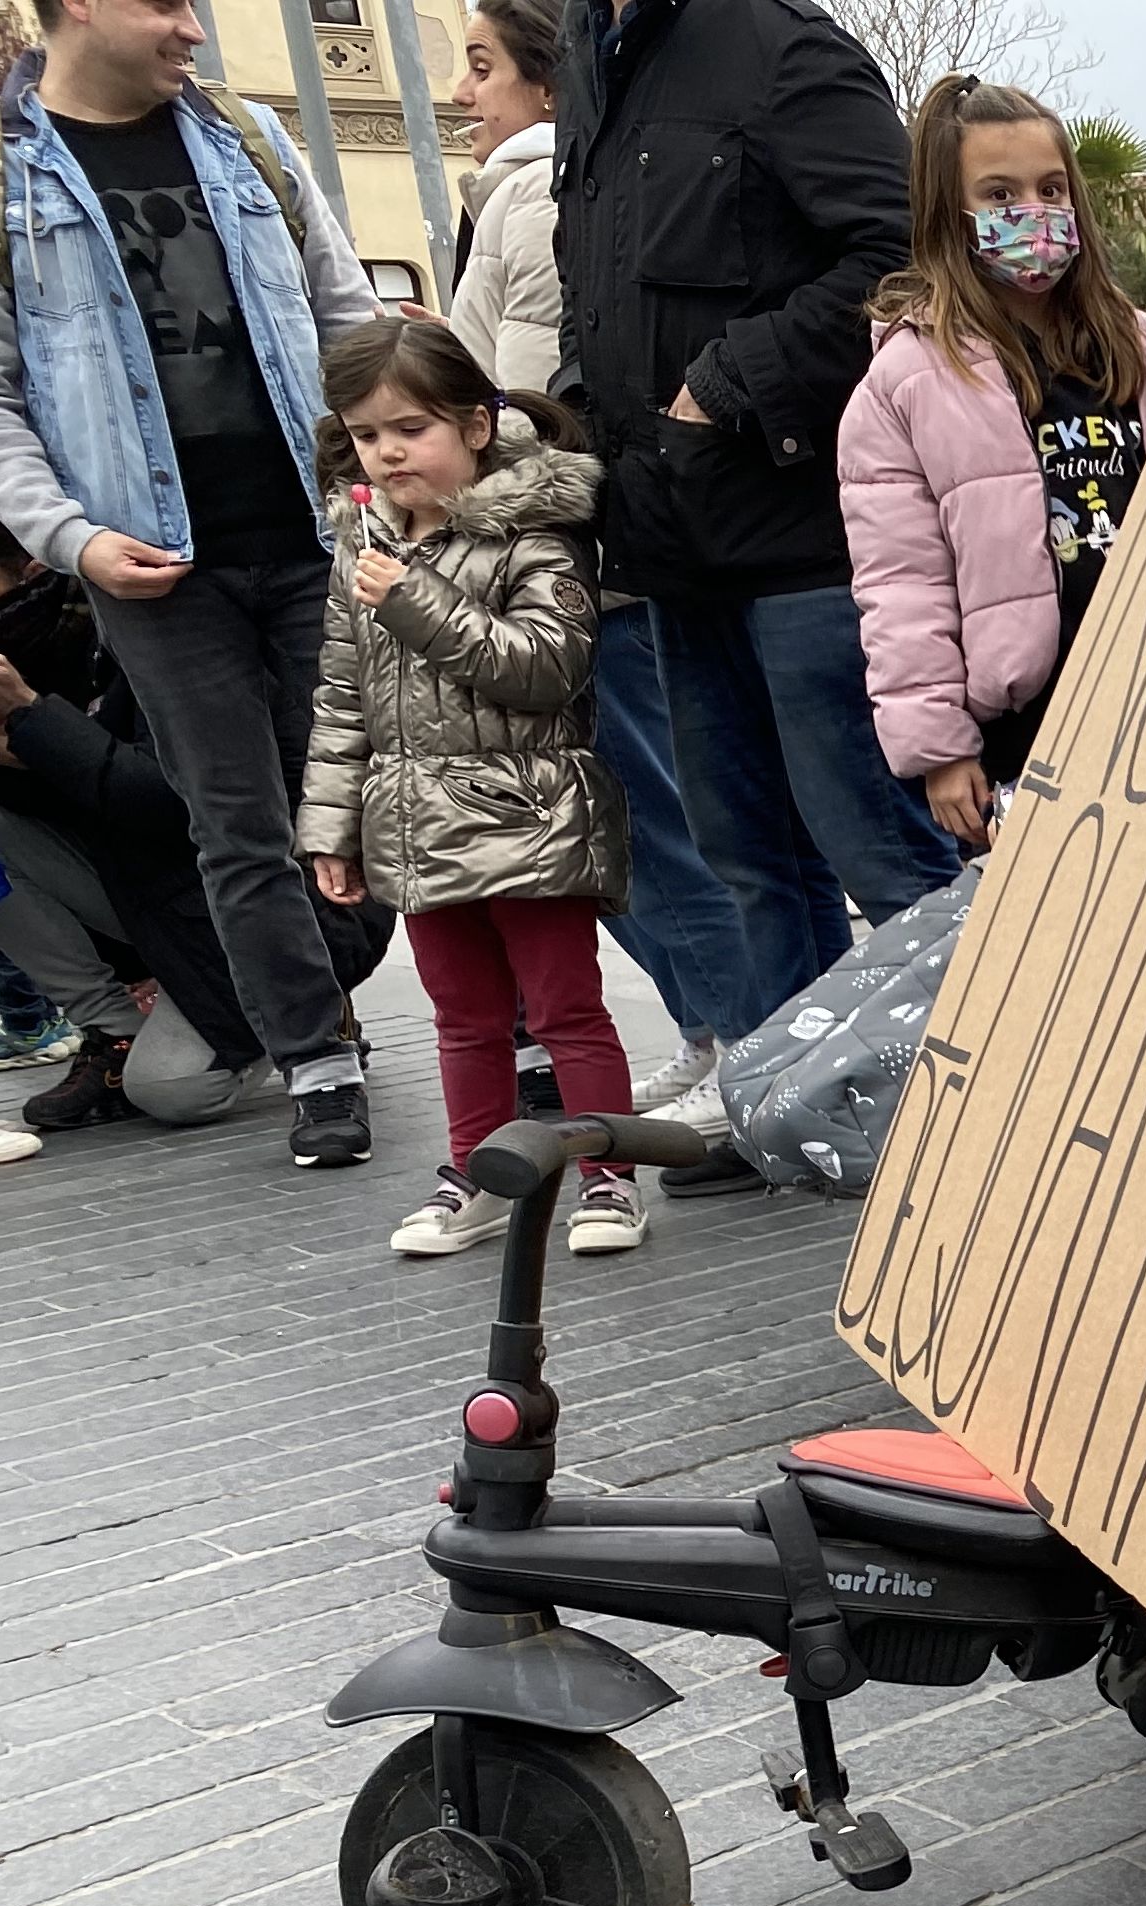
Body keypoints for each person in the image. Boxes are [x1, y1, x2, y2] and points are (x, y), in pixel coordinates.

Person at [558, 0, 957, 1196]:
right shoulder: (598, 59)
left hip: (810, 541)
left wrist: (728, 381)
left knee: (881, 854)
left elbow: (898, 253)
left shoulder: (784, 46)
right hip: (676, 545)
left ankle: (955, 1111)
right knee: (749, 856)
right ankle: (784, 1105)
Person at [0, 0, 388, 1169]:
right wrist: (70, 540)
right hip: (152, 567)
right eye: (163, 4)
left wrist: (377, 487)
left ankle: (488, 1021)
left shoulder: (253, 141)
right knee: (238, 826)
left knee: (375, 797)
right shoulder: (0, 182)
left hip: (320, 540)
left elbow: (347, 318)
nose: (192, 30)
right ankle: (319, 1065)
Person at [445, 0, 730, 1123]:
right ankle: (715, 1031)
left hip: (566, 566)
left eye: (481, 66)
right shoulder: (514, 195)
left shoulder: (537, 196)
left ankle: (738, 1039)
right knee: (612, 828)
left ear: (550, 86)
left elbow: (521, 404)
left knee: (645, 823)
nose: (464, 93)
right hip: (550, 566)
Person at [297, 320, 638, 1259]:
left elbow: (544, 668)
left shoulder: (536, 532)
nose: (389, 452)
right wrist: (332, 828)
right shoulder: (360, 546)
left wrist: (409, 596)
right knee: (463, 1019)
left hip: (532, 813)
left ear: (478, 426)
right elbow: (339, 699)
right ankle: (477, 1177)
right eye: (367, 436)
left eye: (412, 428)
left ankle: (609, 1177)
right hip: (414, 824)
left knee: (566, 1009)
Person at [840, 79, 1146, 845]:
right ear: (948, 213)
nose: (1034, 211)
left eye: (1051, 188)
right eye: (999, 194)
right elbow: (902, 583)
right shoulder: (905, 383)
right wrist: (940, 747)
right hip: (1029, 728)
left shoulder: (1144, 351)